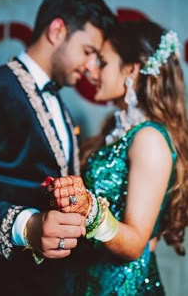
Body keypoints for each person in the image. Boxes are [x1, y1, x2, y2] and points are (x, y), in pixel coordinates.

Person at [0, 0, 117, 296]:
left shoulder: (63, 105)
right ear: (57, 31)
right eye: (88, 51)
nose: (89, 66)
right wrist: (26, 227)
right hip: (0, 285)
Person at [47, 19, 188, 295]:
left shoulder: (149, 138)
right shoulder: (118, 130)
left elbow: (136, 244)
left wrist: (88, 207)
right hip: (88, 281)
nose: (91, 70)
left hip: (123, 288)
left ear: (132, 69)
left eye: (103, 62)